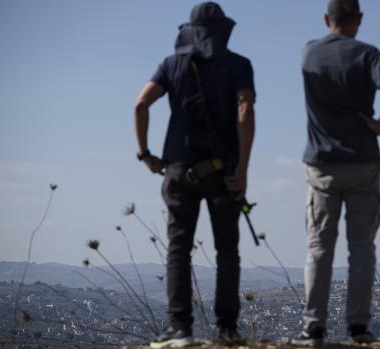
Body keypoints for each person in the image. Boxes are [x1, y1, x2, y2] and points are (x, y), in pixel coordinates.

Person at [133, 2, 256, 347]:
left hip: (178, 169)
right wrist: (242, 170)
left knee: (178, 248)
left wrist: (145, 155)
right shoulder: (239, 65)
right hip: (223, 172)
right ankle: (227, 330)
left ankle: (179, 329)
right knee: (227, 250)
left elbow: (141, 104)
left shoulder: (171, 65)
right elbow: (245, 110)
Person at [291, 0, 380, 346]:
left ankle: (314, 329)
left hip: (322, 163)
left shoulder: (309, 53)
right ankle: (359, 328)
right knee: (362, 247)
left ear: (327, 19)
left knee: (319, 247)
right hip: (363, 161)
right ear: (359, 19)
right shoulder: (369, 55)